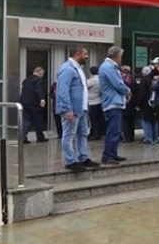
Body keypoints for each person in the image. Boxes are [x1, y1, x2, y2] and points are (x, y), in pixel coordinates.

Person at [56, 44, 100, 172]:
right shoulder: (67, 69)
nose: (87, 57)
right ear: (78, 54)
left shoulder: (78, 69)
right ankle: (70, 161)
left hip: (81, 108)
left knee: (83, 134)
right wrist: (67, 108)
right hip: (72, 109)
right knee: (69, 135)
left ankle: (83, 157)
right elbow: (63, 90)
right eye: (85, 54)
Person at [98, 46, 131, 165]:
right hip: (112, 102)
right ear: (117, 55)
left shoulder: (110, 66)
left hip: (115, 102)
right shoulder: (108, 67)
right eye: (121, 55)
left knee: (116, 130)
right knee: (113, 130)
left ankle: (112, 153)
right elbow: (117, 84)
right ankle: (108, 155)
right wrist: (128, 91)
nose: (121, 58)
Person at [19, 67, 48, 143]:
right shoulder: (38, 80)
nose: (43, 75)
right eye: (42, 73)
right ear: (40, 72)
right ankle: (40, 137)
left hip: (24, 103)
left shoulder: (26, 80)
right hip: (35, 104)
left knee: (26, 121)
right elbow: (38, 89)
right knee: (38, 121)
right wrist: (42, 98)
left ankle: (22, 137)